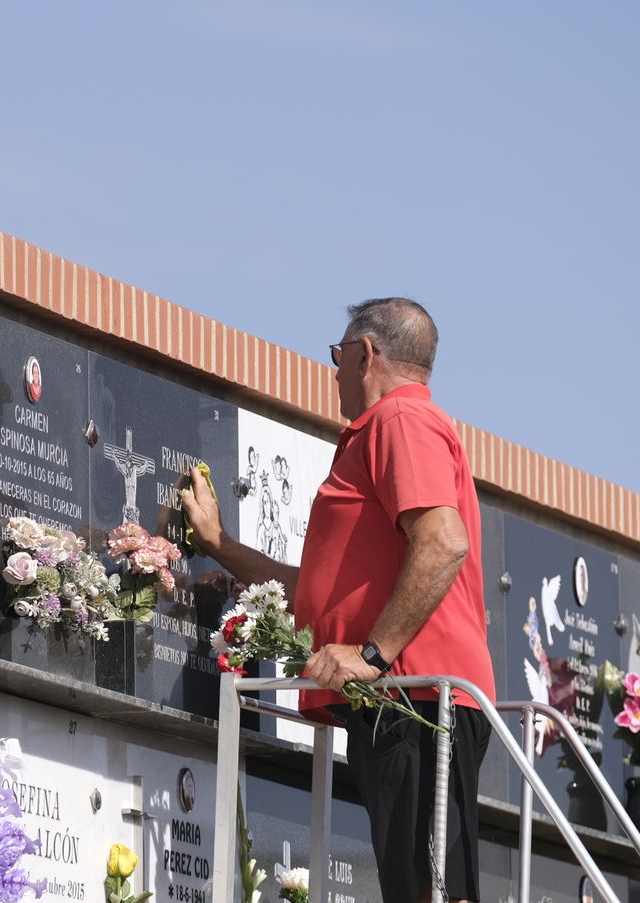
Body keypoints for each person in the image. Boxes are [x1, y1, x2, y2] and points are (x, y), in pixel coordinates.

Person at [181, 297, 495, 903]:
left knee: (431, 890)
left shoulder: (400, 419)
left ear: (366, 355)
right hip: (401, 697)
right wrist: (219, 545)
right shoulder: (386, 430)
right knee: (416, 885)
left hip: (414, 697)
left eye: (337, 355)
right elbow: (316, 593)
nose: (334, 371)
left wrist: (371, 655)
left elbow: (443, 542)